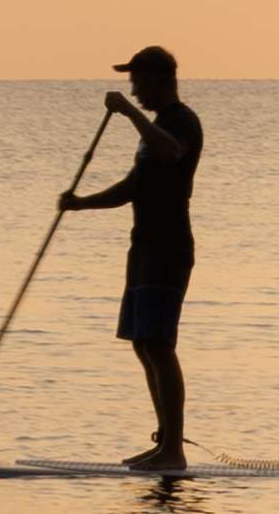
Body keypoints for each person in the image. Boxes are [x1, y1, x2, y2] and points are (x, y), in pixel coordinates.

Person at [60, 44, 203, 472]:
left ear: (161, 80)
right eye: (131, 82)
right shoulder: (156, 127)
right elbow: (132, 187)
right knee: (142, 344)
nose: (134, 89)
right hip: (141, 249)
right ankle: (164, 442)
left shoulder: (182, 122)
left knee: (159, 345)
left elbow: (170, 153)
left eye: (138, 80)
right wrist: (80, 204)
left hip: (169, 248)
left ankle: (174, 449)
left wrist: (128, 114)